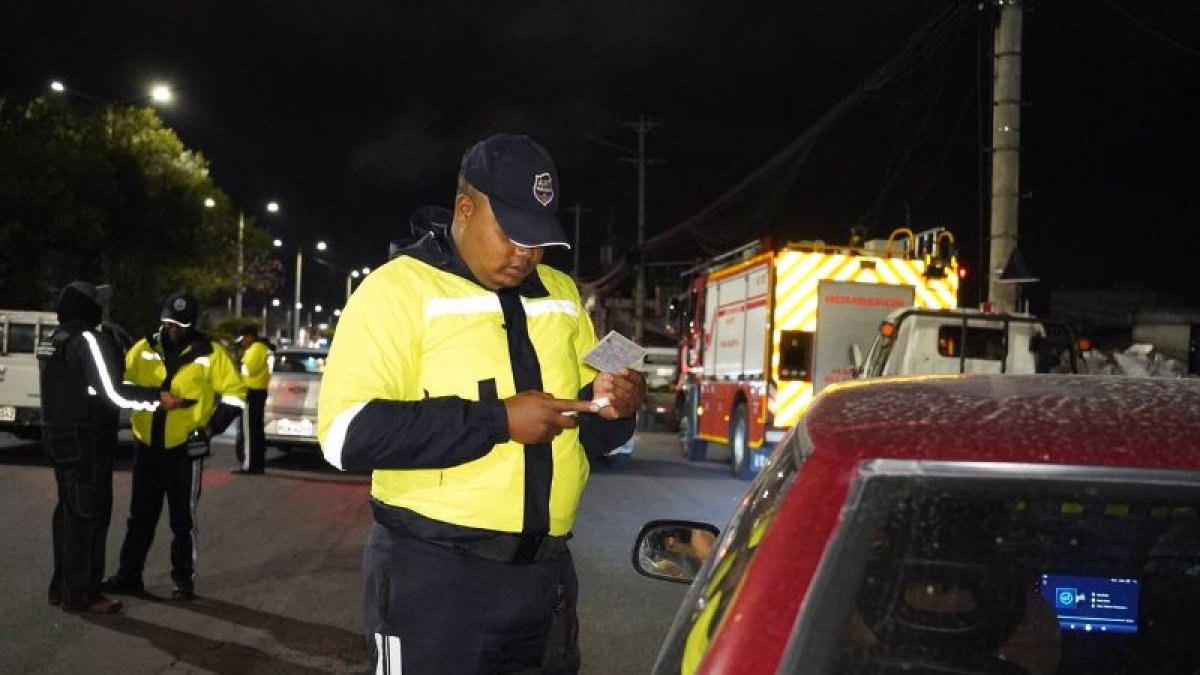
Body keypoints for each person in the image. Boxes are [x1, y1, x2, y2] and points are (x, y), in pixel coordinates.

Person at [318, 133, 646, 674]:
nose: (527, 254)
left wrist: (616, 406)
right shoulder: (396, 291)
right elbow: (346, 435)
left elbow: (592, 432)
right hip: (435, 580)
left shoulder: (562, 294)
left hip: (545, 581)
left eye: (539, 239)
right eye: (513, 235)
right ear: (465, 210)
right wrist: (497, 420)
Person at [37, 281, 187, 614]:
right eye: (98, 304)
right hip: (85, 438)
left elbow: (83, 385)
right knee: (89, 516)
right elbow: (113, 393)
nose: (102, 309)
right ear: (87, 308)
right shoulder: (89, 340)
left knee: (68, 513)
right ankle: (83, 594)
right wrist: (156, 399)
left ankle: (62, 588)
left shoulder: (52, 339)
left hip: (57, 436)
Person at [102, 291, 246, 601]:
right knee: (139, 515)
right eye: (168, 323)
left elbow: (236, 395)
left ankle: (183, 580)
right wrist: (152, 394)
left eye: (179, 325)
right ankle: (129, 575)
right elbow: (120, 385)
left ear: (191, 324)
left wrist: (210, 428)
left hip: (186, 447)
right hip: (147, 444)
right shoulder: (143, 349)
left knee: (183, 518)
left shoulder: (210, 353)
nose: (172, 330)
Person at [232, 323, 274, 475]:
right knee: (255, 431)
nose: (241, 343)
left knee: (250, 432)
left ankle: (250, 465)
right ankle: (257, 464)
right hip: (257, 392)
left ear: (250, 337)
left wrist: (239, 361)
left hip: (252, 392)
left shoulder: (256, 349)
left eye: (243, 339)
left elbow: (249, 369)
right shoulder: (261, 348)